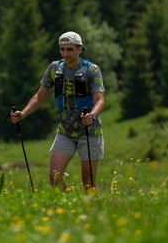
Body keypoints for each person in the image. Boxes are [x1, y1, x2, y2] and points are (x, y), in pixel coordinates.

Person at [11, 31, 105, 191]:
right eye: (62, 49)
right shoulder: (55, 68)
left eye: (70, 49)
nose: (65, 54)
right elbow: (39, 97)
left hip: (89, 131)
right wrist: (23, 113)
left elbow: (100, 100)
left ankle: (91, 205)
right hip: (65, 131)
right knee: (54, 176)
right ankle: (67, 203)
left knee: (88, 182)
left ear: (80, 49)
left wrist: (92, 115)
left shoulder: (92, 70)